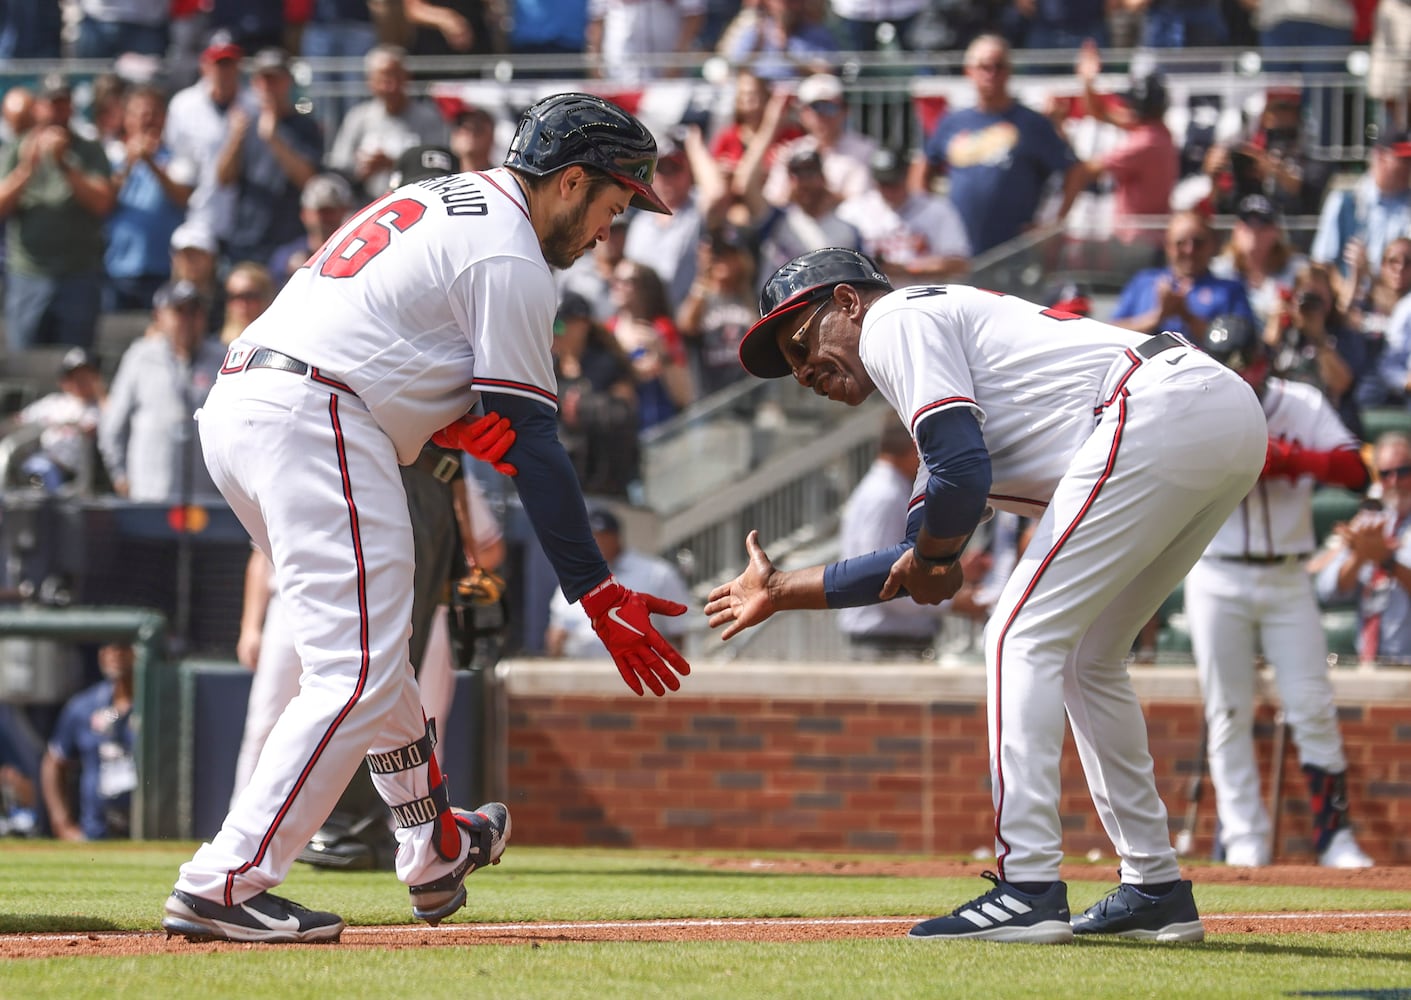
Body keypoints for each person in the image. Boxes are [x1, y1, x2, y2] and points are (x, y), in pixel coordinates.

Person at [160, 93, 690, 945]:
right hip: (318, 414)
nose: (607, 232)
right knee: (359, 671)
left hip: (249, 405)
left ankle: (434, 846)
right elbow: (537, 444)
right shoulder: (512, 252)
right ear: (572, 181)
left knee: (371, 656)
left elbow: (403, 341)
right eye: (612, 204)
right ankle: (225, 881)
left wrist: (442, 416)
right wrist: (594, 592)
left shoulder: (451, 200)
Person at [708, 247, 1268, 943]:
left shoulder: (892, 322)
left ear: (848, 302)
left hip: (1156, 408)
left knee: (1015, 635)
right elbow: (922, 547)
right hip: (1211, 415)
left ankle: (1027, 885)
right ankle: (1152, 887)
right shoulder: (939, 380)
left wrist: (936, 556)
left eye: (799, 342)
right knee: (1086, 657)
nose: (801, 372)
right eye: (789, 366)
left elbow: (958, 483)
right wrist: (785, 588)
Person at [1184, 314, 1375, 869]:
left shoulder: (1300, 402)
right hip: (1217, 571)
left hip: (1288, 572)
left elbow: (1353, 470)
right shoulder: (1197, 407)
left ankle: (1333, 837)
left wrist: (1293, 459)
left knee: (1312, 704)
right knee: (1227, 712)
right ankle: (1244, 841)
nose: (1241, 380)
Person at [918, 34, 1083, 256]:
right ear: (969, 72)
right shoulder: (952, 122)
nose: (991, 74)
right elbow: (921, 169)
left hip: (1013, 252)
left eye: (999, 66)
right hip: (958, 249)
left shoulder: (1032, 123)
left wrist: (1052, 226)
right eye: (984, 67)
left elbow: (1075, 172)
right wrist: (925, 220)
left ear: (1010, 71)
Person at [0, 73, 116, 353]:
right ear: (39, 107)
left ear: (72, 107)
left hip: (78, 275)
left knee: (76, 361)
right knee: (24, 362)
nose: (56, 111)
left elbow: (103, 203)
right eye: (51, 103)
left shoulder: (88, 149)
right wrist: (27, 168)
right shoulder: (18, 148)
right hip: (29, 275)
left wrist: (65, 163)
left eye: (63, 103)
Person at [97, 279, 225, 502]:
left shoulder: (222, 359)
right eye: (179, 311)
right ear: (159, 317)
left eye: (194, 312)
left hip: (210, 497)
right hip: (151, 492)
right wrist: (119, 474)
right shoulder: (140, 356)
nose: (187, 320)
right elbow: (114, 424)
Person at [837, 417, 944, 661]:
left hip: (890, 645)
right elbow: (884, 581)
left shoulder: (886, 490)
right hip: (887, 647)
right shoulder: (886, 495)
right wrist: (953, 601)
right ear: (915, 447)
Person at [215, 47, 322, 268]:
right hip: (246, 238)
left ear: (288, 82)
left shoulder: (306, 126)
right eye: (262, 79)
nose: (267, 86)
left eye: (274, 79)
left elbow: (308, 180)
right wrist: (235, 139)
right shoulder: (242, 122)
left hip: (289, 242)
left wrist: (274, 139)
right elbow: (224, 178)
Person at [1316, 432, 1411, 664]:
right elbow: (1327, 590)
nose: (1395, 482)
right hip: (1369, 664)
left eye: (1404, 471)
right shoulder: (1369, 518)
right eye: (1386, 474)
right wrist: (1359, 556)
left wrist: (1387, 561)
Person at [546, 507, 691, 658]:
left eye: (602, 536)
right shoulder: (573, 579)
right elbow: (556, 634)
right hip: (582, 673)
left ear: (616, 537)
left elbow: (681, 633)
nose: (596, 542)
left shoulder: (657, 574)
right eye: (590, 537)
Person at [1070, 44, 1177, 244]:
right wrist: (1087, 81)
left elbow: (1090, 170)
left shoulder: (1146, 141)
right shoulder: (1159, 132)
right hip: (1145, 238)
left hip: (1139, 241)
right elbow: (1099, 112)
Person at [104, 84, 197, 312]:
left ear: (164, 118)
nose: (146, 119)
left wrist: (151, 163)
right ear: (126, 118)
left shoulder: (178, 159)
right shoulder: (111, 157)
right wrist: (129, 163)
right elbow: (103, 201)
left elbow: (182, 197)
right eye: (139, 113)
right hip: (118, 269)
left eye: (153, 113)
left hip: (164, 269)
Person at [326, 45, 450, 202]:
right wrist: (362, 171)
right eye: (383, 79)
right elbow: (339, 167)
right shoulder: (358, 118)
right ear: (370, 82)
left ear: (407, 77)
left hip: (417, 202)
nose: (390, 85)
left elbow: (441, 167)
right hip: (365, 203)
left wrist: (394, 165)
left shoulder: (429, 118)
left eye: (395, 76)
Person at [39, 643, 137, 841]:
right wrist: (62, 823)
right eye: (109, 647)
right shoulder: (83, 706)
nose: (115, 654)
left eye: (123, 647)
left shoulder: (160, 704)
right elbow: (54, 762)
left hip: (145, 830)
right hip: (96, 830)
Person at [1110, 211, 1253, 343]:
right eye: (1180, 243)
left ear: (1212, 245)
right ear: (1168, 246)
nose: (1189, 250)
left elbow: (1237, 342)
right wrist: (1156, 318)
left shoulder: (1231, 290)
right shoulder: (1143, 282)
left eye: (1198, 243)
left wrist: (1187, 316)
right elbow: (1112, 333)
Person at [837, 147, 970, 287]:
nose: (889, 190)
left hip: (925, 296)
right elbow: (838, 263)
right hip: (874, 299)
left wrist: (905, 269)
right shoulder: (853, 211)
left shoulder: (936, 209)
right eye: (884, 183)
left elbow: (958, 264)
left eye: (894, 182)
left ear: (907, 175)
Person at [552, 290, 641, 499]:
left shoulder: (608, 365)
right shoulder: (547, 369)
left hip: (606, 480)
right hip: (565, 479)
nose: (552, 333)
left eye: (558, 325)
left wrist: (580, 407)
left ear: (582, 325)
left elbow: (623, 414)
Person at [761, 73, 877, 209]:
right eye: (815, 108)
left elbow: (859, 203)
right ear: (803, 114)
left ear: (845, 110)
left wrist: (815, 189)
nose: (823, 116)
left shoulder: (865, 149)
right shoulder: (791, 151)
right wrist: (796, 190)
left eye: (830, 108)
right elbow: (773, 201)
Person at [1311, 128, 1411, 281]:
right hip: (1351, 298)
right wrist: (1349, 289)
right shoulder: (1344, 200)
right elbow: (1322, 264)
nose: (1408, 167)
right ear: (1379, 157)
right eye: (1402, 160)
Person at [606, 259, 695, 430]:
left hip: (664, 425)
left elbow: (684, 395)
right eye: (615, 279)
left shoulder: (662, 329)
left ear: (645, 289)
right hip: (626, 429)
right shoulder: (607, 332)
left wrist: (662, 354)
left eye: (628, 281)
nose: (618, 285)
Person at [676, 222, 761, 396]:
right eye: (717, 254)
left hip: (748, 398)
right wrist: (702, 275)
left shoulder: (753, 297)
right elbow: (685, 325)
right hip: (710, 402)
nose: (721, 260)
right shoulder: (698, 298)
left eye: (729, 254)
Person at [11, 347, 106, 493]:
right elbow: (18, 421)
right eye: (74, 377)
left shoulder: (101, 407)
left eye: (85, 376)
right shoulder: (52, 402)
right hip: (42, 461)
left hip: (78, 472)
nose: (79, 382)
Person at [1209, 194, 1304, 326]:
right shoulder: (1217, 272)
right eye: (1248, 223)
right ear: (1236, 230)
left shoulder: (1297, 270)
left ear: (1276, 231)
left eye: (1262, 223)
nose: (1254, 231)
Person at [269, 172, 356, 287]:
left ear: (345, 211)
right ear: (304, 213)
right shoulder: (285, 257)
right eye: (319, 211)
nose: (324, 218)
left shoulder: (355, 250)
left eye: (330, 211)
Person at [218, 262, 275, 346]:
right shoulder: (215, 348)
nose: (241, 304)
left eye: (249, 296)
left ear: (266, 298)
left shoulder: (279, 344)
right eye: (233, 296)